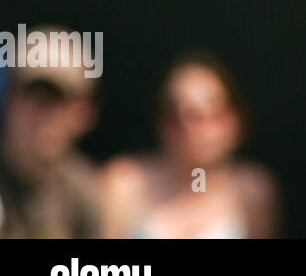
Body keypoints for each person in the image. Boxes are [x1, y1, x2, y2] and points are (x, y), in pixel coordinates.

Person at [99, 52, 278, 238]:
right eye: (177, 115)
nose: (193, 130)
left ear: (235, 121)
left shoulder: (253, 191)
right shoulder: (125, 183)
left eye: (209, 115)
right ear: (161, 122)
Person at [0, 32, 102, 238]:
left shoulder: (85, 195)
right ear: (9, 101)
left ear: (83, 113)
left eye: (56, 101)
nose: (42, 116)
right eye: (32, 96)